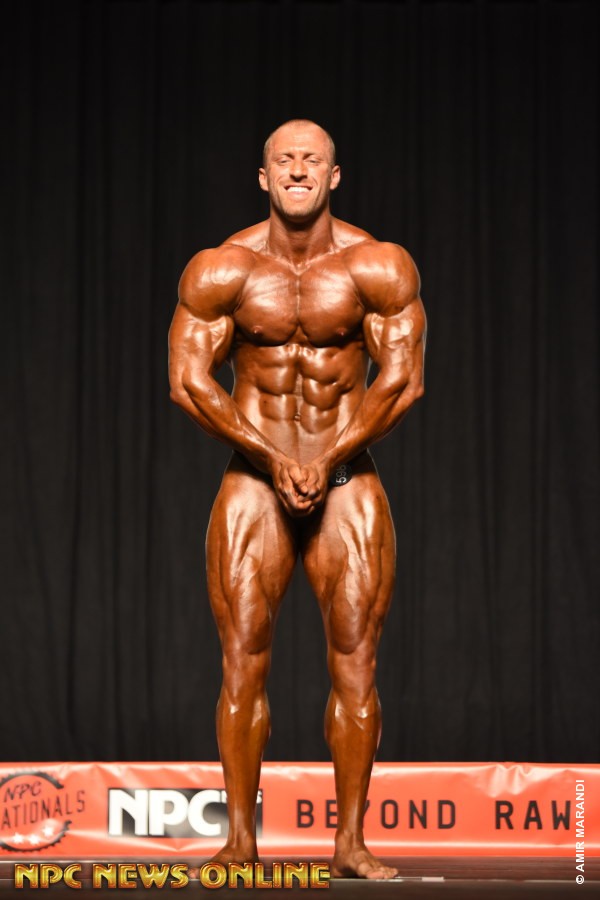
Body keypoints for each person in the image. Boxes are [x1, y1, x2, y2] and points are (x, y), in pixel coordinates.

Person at [168, 119, 426, 880]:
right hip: (255, 477)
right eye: (285, 160)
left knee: (357, 663)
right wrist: (276, 457)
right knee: (241, 663)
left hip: (347, 479)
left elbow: (402, 381)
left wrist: (328, 456)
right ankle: (240, 843)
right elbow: (188, 381)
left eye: (313, 160)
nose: (299, 170)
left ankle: (350, 843)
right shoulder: (223, 269)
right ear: (264, 177)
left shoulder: (378, 265)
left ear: (334, 176)